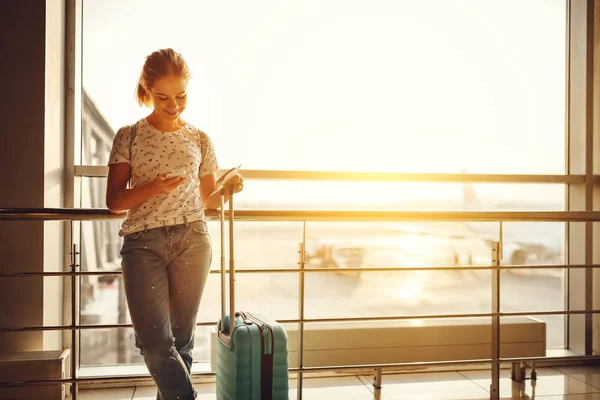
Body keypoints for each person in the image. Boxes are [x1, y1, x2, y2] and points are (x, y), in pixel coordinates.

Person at [105, 48, 243, 400]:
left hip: (193, 239)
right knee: (154, 342)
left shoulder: (200, 139)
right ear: (147, 90)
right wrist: (153, 188)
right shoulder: (128, 136)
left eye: (180, 95)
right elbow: (114, 202)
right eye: (163, 96)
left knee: (181, 342)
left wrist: (227, 191)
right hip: (142, 243)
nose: (173, 104)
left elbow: (208, 201)